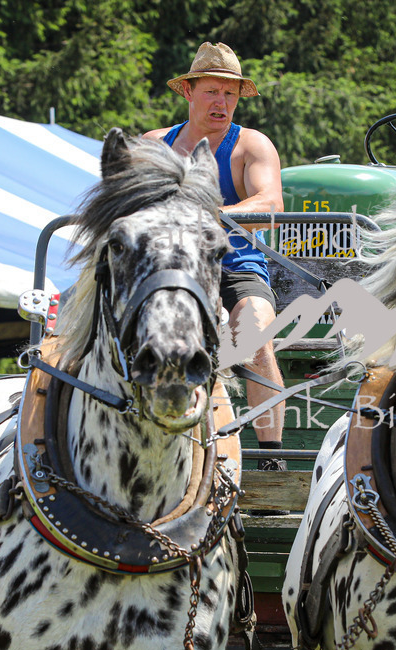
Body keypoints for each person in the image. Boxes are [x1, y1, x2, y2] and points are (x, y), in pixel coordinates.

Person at [144, 42, 286, 456]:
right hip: (168, 266)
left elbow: (271, 203)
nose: (222, 102)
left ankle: (273, 461)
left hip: (235, 265)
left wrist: (210, 212)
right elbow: (129, 202)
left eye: (230, 93)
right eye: (212, 91)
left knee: (256, 334)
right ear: (188, 92)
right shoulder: (156, 144)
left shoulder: (251, 145)